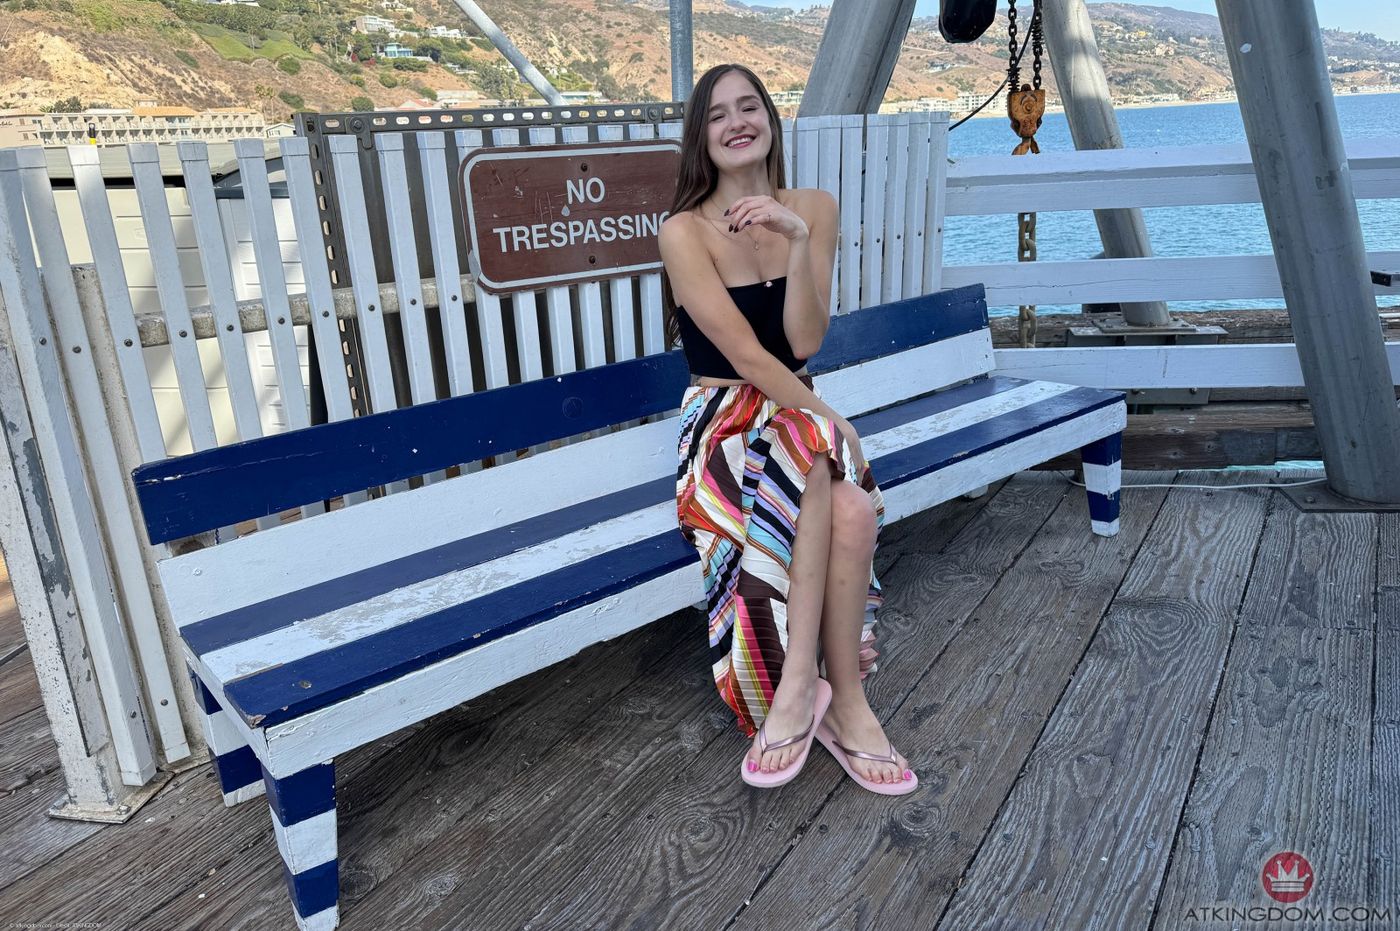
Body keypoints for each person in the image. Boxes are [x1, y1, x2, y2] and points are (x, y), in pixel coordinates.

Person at [660, 63, 917, 795]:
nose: (736, 123)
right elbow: (746, 359)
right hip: (725, 424)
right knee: (821, 462)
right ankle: (804, 681)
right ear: (701, 138)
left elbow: (803, 344)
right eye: (718, 115)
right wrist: (832, 420)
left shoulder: (813, 208)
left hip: (795, 409)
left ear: (770, 121)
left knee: (852, 506)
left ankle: (841, 701)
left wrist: (798, 240)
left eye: (749, 107)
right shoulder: (683, 231)